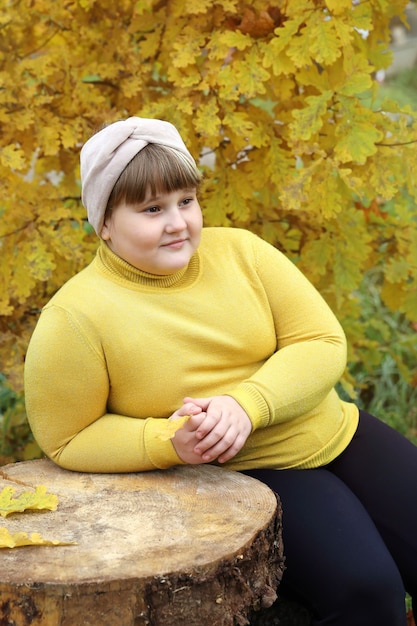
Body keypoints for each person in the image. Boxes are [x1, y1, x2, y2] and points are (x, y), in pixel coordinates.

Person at [24, 117, 417, 626]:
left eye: (185, 201)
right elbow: (66, 438)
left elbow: (319, 341)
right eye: (151, 209)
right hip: (244, 479)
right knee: (367, 593)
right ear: (103, 222)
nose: (177, 222)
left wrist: (245, 404)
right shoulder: (75, 317)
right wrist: (169, 442)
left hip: (336, 433)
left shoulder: (243, 252)